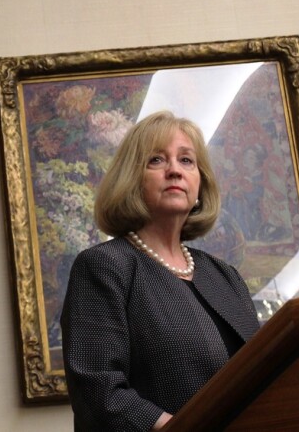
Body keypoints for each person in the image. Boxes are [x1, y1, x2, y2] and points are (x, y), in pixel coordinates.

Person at [61, 110, 260, 431]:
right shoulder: (104, 267)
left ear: (199, 184)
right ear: (131, 180)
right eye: (156, 160)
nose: (174, 171)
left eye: (186, 161)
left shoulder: (225, 276)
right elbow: (97, 386)